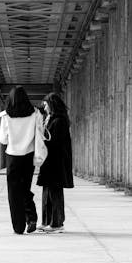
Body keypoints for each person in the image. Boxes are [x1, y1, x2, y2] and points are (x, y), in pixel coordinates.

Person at [0, 86, 45, 235]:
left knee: (14, 192)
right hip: (28, 156)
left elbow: (3, 139)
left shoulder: (6, 116)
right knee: (25, 188)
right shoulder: (36, 114)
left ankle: (18, 227)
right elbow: (39, 134)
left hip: (12, 156)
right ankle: (31, 217)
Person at [37, 92, 74, 233]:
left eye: (46, 105)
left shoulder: (60, 120)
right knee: (47, 192)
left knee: (55, 192)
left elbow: (55, 142)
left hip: (56, 162)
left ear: (52, 105)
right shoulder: (51, 118)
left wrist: (42, 137)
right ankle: (47, 221)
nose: (44, 108)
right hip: (49, 161)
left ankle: (57, 223)